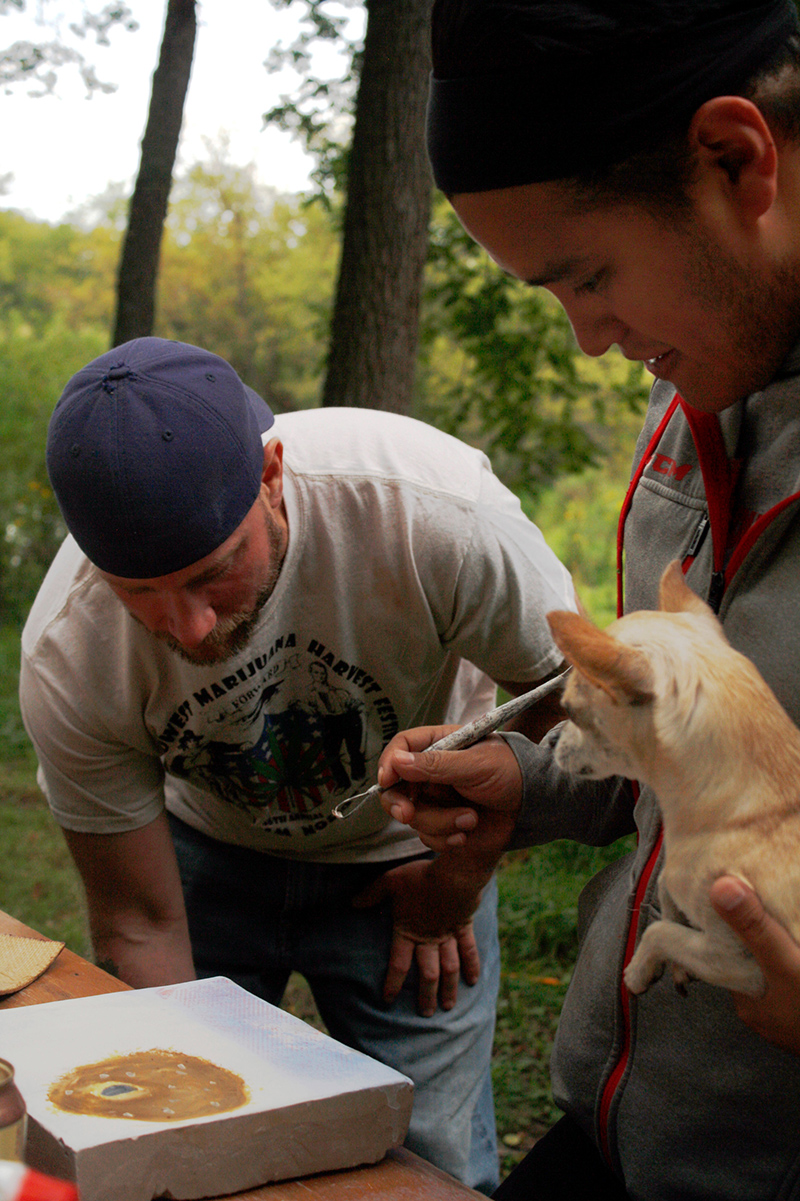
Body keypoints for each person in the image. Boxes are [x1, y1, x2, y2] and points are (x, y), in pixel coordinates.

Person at [376, 1, 800, 1198]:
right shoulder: (712, 371)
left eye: (589, 278)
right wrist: (540, 782)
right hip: (613, 1142)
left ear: (732, 159)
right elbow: (722, 748)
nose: (586, 343)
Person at [19, 335, 576, 1195]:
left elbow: (560, 708)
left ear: (272, 472)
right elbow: (137, 920)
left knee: (429, 1158)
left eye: (214, 572)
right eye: (139, 593)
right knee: (186, 1143)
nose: (188, 627)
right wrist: (187, 1131)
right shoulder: (69, 649)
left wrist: (461, 873)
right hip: (203, 864)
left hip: (411, 857)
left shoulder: (436, 512)